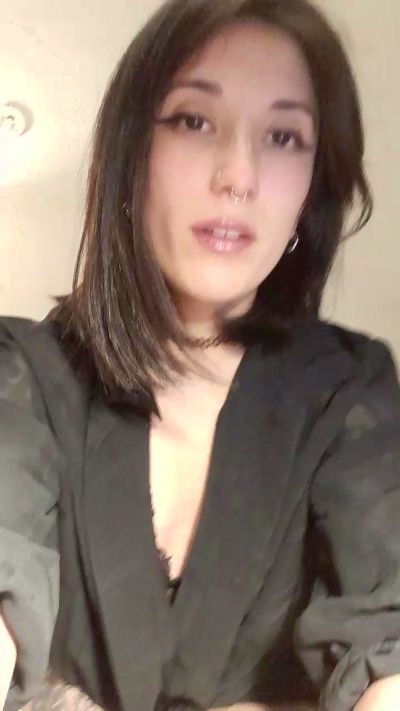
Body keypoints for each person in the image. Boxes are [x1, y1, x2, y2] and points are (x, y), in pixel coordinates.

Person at [0, 0, 400, 709]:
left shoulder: (351, 392)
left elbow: (388, 649)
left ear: (312, 185)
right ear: (133, 153)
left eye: (284, 136)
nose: (238, 175)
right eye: (193, 120)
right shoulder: (24, 373)